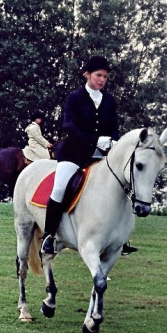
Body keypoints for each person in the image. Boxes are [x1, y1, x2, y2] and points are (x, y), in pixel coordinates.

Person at [40, 55, 120, 257]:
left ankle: (120, 237)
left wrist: (114, 142)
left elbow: (114, 127)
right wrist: (95, 140)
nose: (102, 80)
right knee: (59, 188)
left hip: (101, 156)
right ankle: (49, 236)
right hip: (74, 153)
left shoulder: (109, 101)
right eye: (98, 75)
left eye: (105, 77)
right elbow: (69, 126)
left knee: (120, 187)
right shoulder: (74, 97)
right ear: (87, 74)